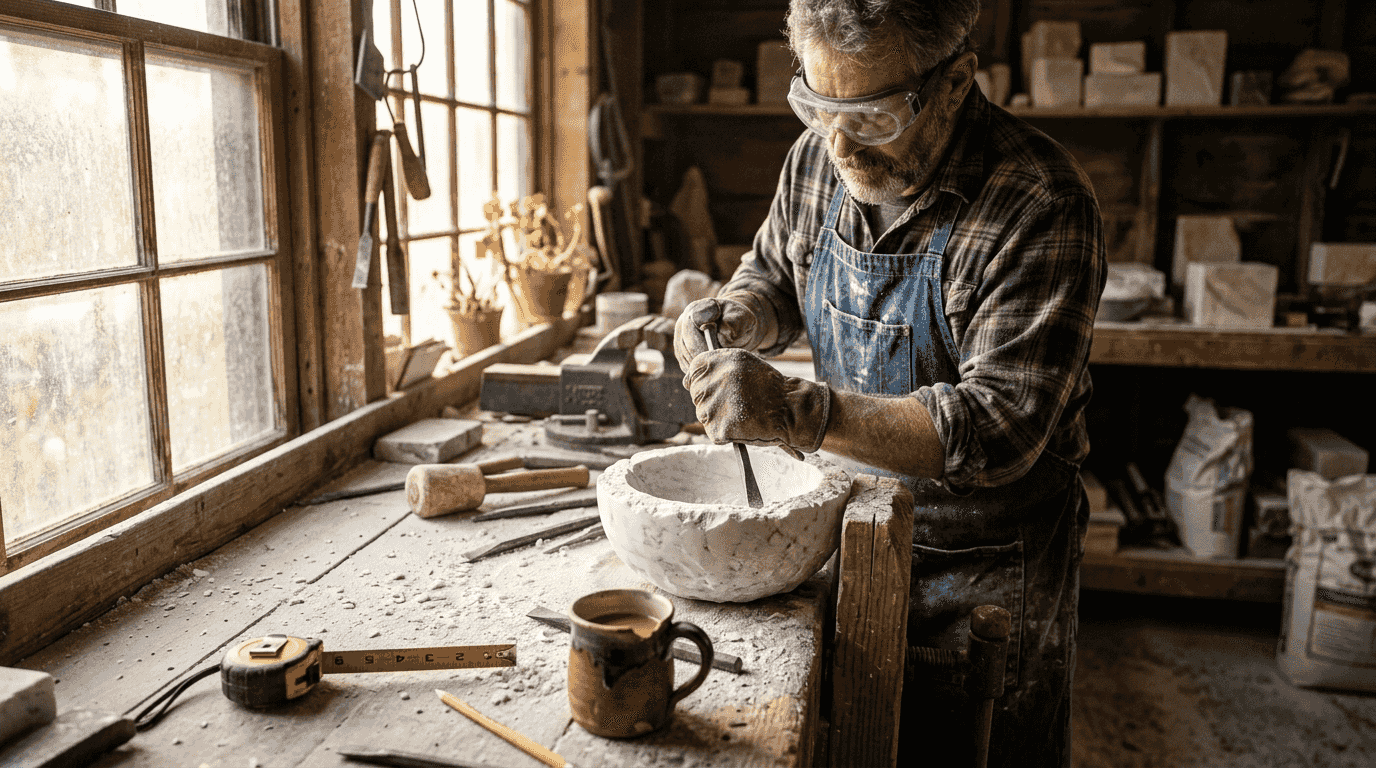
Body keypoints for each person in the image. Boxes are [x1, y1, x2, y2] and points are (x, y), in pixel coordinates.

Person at [672, 1, 1106, 766]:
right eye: (817, 107)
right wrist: (737, 316)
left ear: (955, 82)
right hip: (848, 522)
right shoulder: (817, 157)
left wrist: (791, 408)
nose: (839, 145)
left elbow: (996, 428)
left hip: (984, 561)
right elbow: (773, 275)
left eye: (872, 117)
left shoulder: (1039, 202)